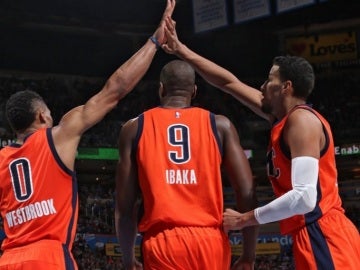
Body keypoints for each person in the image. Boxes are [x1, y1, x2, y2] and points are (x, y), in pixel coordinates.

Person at [161, 17, 360, 269]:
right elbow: (228, 83)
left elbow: (305, 197)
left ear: (286, 87)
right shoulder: (283, 117)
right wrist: (181, 50)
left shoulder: (301, 121)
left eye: (270, 80)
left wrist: (245, 219)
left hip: (324, 234)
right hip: (312, 234)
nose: (263, 86)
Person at [0, 1, 176, 269]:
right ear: (41, 117)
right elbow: (114, 90)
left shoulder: (2, 159)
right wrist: (154, 41)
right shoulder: (57, 137)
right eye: (49, 112)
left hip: (9, 259)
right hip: (49, 256)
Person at [115, 59, 258, 270]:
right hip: (210, 241)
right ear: (194, 91)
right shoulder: (221, 125)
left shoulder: (134, 128)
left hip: (163, 243)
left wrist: (128, 261)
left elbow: (124, 206)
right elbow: (247, 193)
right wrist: (248, 255)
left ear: (161, 89)